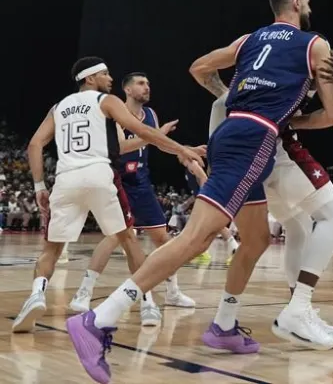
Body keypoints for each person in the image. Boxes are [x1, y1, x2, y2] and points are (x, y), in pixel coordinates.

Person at [68, 0, 333, 384]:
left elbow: (199, 67)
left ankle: (224, 326)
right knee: (195, 238)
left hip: (233, 131)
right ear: (298, 3)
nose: (310, 7)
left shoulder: (249, 39)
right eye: (309, 1)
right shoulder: (315, 44)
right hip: (255, 137)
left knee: (255, 239)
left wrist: (229, 94)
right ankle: (99, 319)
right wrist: (294, 118)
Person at [13, 58, 204, 334]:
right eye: (105, 74)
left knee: (52, 247)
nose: (110, 78)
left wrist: (39, 187)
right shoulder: (106, 100)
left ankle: (36, 295)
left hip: (66, 179)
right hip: (100, 174)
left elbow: (34, 144)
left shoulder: (59, 107)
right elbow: (141, 131)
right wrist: (180, 149)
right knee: (128, 239)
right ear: (90, 79)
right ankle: (148, 301)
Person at [208, 84, 333, 350]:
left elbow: (216, 98)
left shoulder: (251, 80)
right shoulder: (290, 68)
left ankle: (229, 320)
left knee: (292, 231)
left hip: (246, 161)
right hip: (277, 153)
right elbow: (332, 116)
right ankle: (297, 308)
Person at [68, 72, 196, 315]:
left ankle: (173, 292)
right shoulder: (114, 111)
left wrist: (186, 150)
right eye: (141, 83)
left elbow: (157, 142)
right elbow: (123, 146)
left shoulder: (151, 115)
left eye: (148, 83)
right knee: (117, 237)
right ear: (127, 90)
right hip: (118, 182)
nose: (147, 87)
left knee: (163, 240)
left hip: (142, 183)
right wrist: (154, 135)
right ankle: (84, 291)